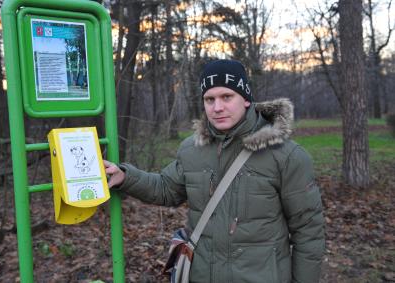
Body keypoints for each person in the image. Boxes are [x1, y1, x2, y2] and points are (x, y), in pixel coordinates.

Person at [104, 59, 325, 283]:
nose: (217, 107)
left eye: (226, 97)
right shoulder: (192, 149)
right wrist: (126, 177)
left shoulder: (287, 156)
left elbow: (308, 232)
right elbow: (166, 188)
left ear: (246, 99)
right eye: (210, 99)